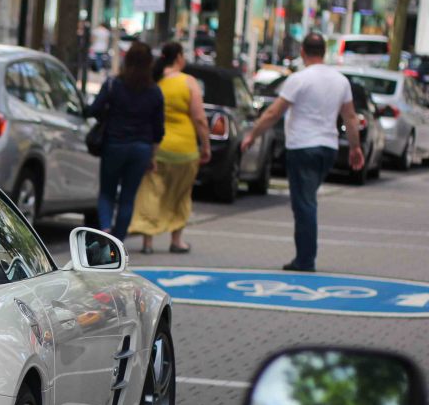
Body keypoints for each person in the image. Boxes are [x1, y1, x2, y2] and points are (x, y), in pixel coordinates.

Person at [240, 32, 363, 272]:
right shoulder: (340, 81)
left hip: (302, 146)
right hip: (328, 148)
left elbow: (273, 113)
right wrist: (355, 147)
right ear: (324, 53)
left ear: (303, 52)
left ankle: (305, 260)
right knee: (307, 199)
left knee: (304, 203)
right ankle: (304, 256)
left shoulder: (299, 79)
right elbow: (349, 116)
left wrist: (252, 136)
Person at [130, 42, 212, 254]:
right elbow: (199, 118)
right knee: (181, 194)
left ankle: (147, 242)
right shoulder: (188, 82)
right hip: (185, 149)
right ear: (178, 58)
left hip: (158, 147)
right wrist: (206, 145)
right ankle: (177, 241)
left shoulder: (154, 81)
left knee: (151, 192)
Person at [87, 41, 165, 242]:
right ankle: (117, 242)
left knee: (106, 192)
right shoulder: (155, 92)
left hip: (114, 144)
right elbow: (159, 130)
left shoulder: (114, 84)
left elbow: (94, 109)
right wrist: (152, 155)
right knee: (128, 198)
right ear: (149, 64)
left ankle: (104, 228)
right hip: (141, 148)